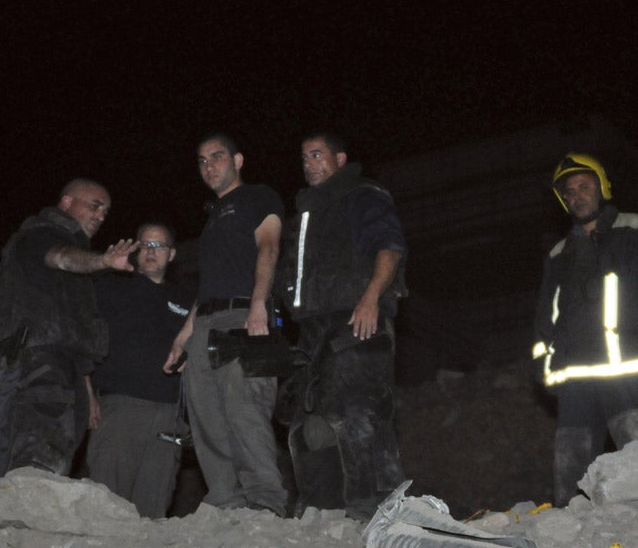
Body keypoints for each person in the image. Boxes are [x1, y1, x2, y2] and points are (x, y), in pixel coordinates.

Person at [533, 153, 638, 507]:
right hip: (576, 383)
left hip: (629, 371)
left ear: (602, 188)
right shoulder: (559, 254)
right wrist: (544, 363)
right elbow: (546, 316)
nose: (577, 196)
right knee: (571, 473)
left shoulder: (633, 230)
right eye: (569, 192)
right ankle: (573, 535)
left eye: (584, 187)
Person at [280, 132, 408, 520]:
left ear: (340, 158)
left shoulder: (362, 193)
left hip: (356, 317)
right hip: (313, 331)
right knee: (309, 423)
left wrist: (370, 299)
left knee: (360, 412)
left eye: (317, 155)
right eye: (303, 157)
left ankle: (375, 510)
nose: (309, 163)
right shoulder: (307, 212)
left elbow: (389, 246)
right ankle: (323, 510)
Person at [165, 133, 288, 516]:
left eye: (216, 157)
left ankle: (266, 501)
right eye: (201, 161)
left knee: (245, 410)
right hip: (206, 323)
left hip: (244, 316)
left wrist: (258, 305)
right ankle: (226, 502)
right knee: (206, 417)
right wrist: (183, 337)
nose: (208, 166)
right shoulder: (212, 220)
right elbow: (208, 285)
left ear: (238, 160)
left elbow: (268, 247)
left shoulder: (258, 197)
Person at [0, 179, 138, 478]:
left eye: (105, 211)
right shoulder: (39, 233)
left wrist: (87, 385)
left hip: (62, 360)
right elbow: (61, 258)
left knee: (56, 436)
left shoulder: (74, 257)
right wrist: (103, 260)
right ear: (66, 202)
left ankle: (21, 515)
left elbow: (77, 325)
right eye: (94, 205)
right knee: (39, 437)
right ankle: (28, 509)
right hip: (34, 352)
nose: (100, 216)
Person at [85, 223, 194, 518]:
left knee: (153, 507)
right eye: (145, 244)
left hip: (170, 414)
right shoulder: (110, 287)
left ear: (171, 255)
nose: (151, 251)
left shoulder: (187, 300)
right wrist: (88, 395)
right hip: (120, 407)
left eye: (159, 246)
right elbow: (81, 338)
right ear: (135, 250)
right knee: (106, 501)